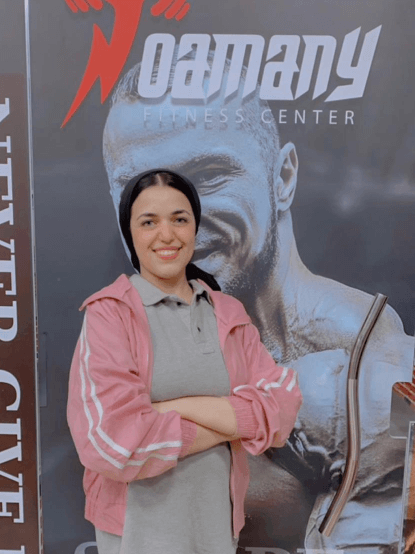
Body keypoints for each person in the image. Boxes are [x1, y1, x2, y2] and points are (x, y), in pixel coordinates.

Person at [101, 59, 415, 553]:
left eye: (208, 176)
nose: (176, 225)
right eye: (142, 191)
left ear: (282, 176)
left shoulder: (362, 364)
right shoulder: (117, 337)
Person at [67, 169, 302, 554]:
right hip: (136, 538)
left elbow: (281, 406)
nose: (167, 234)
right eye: (149, 222)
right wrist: (231, 424)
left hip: (216, 531)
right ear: (130, 233)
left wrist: (171, 409)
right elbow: (111, 443)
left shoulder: (228, 312)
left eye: (179, 219)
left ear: (195, 228)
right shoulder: (110, 314)